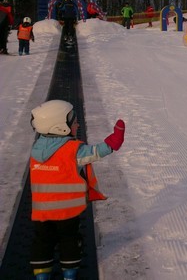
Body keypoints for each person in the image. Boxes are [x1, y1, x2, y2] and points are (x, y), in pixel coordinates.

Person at [29, 100, 125, 280]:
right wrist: (113, 142)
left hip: (42, 212)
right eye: (73, 122)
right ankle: (69, 274)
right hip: (67, 213)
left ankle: (41, 275)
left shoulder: (36, 149)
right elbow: (95, 152)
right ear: (60, 128)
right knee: (69, 241)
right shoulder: (72, 151)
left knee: (42, 242)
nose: (77, 124)